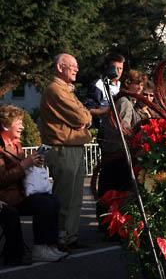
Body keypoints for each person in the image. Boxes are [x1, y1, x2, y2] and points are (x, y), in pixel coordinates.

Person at [40, 53, 93, 251]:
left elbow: (83, 115)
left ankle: (70, 236)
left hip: (73, 148)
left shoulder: (66, 90)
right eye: (73, 66)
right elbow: (81, 117)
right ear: (60, 67)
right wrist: (85, 118)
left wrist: (84, 117)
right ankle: (61, 237)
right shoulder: (56, 90)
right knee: (65, 197)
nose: (77, 69)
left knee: (76, 197)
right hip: (63, 149)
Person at [0, 105, 64, 262]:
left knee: (52, 200)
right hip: (7, 198)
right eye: (19, 121)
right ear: (5, 124)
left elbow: (20, 170)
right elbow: (1, 180)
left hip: (20, 194)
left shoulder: (16, 143)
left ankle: (50, 245)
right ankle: (39, 248)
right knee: (44, 203)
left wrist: (33, 162)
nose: (22, 126)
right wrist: (24, 165)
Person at [98, 70, 147, 202]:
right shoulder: (125, 102)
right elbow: (122, 129)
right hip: (119, 157)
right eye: (137, 84)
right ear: (128, 84)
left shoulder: (125, 101)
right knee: (116, 196)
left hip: (116, 156)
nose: (140, 88)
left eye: (142, 85)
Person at [84, 53, 125, 136]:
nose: (118, 71)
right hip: (106, 129)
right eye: (115, 68)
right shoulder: (99, 85)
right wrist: (107, 110)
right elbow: (87, 109)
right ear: (107, 67)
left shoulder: (123, 85)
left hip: (123, 127)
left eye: (120, 68)